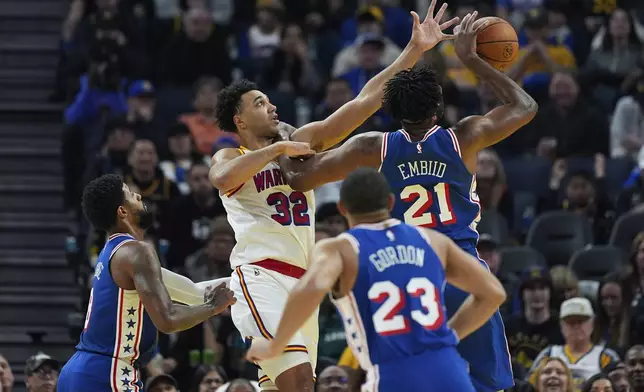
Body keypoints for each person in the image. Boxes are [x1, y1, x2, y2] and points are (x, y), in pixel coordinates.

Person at [277, 11, 538, 392]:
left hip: (404, 275)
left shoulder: (371, 147)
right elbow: (525, 107)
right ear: (438, 106)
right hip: (462, 271)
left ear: (391, 111)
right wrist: (472, 60)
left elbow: (300, 177)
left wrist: (284, 138)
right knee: (486, 385)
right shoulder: (464, 137)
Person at [209, 2, 459, 392]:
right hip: (260, 275)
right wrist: (277, 151)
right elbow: (221, 178)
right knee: (298, 384)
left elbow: (363, 101)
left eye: (269, 100)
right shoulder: (232, 155)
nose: (272, 105)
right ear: (239, 121)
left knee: (284, 386)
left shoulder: (300, 140)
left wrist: (415, 52)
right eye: (259, 103)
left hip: (304, 282)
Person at [246, 168, 506, 392]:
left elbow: (313, 286)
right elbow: (493, 293)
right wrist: (449, 335)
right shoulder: (433, 241)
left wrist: (276, 344)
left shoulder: (340, 249)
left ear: (342, 208)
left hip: (393, 372)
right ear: (391, 203)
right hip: (449, 369)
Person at [57, 174, 237, 391]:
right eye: (131, 195)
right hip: (109, 371)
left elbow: (192, 292)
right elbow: (168, 320)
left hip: (82, 371)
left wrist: (254, 277)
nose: (139, 195)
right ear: (122, 211)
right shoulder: (137, 252)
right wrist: (213, 308)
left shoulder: (115, 252)